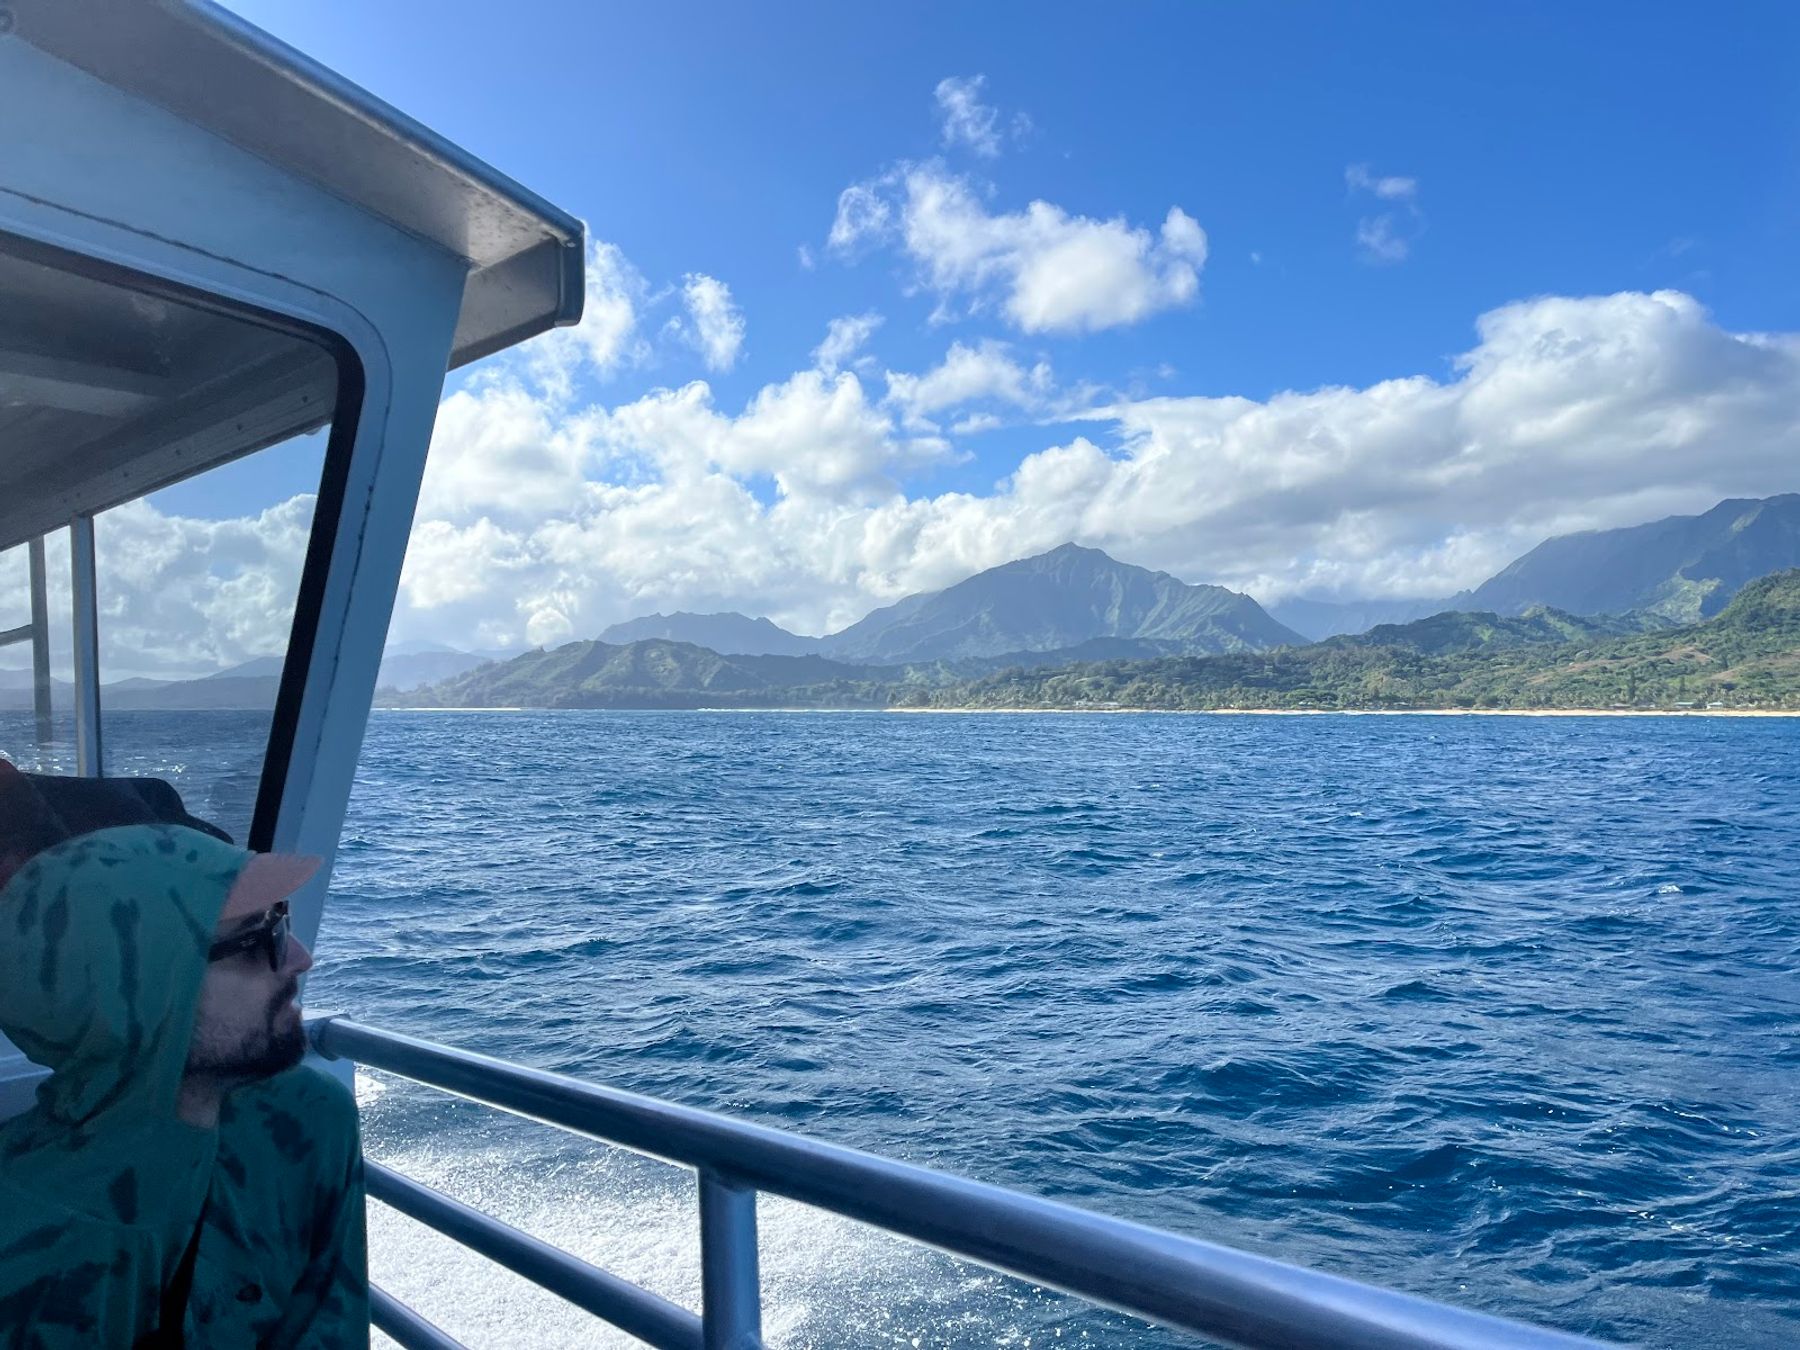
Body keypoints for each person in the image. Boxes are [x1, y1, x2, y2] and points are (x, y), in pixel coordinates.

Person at [0, 813, 369, 1347]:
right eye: (255, 940)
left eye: (280, 920)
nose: (299, 959)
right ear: (134, 998)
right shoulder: (27, 1249)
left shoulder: (305, 1121)